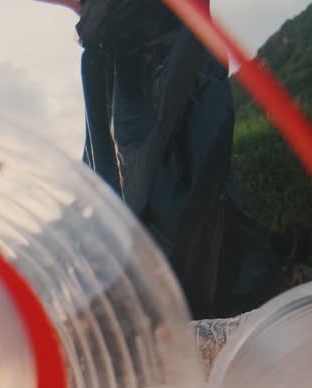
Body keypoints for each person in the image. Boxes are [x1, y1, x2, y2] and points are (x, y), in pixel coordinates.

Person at [71, 0, 288, 319]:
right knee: (124, 210)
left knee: (183, 200)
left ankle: (183, 326)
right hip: (116, 47)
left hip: (172, 43)